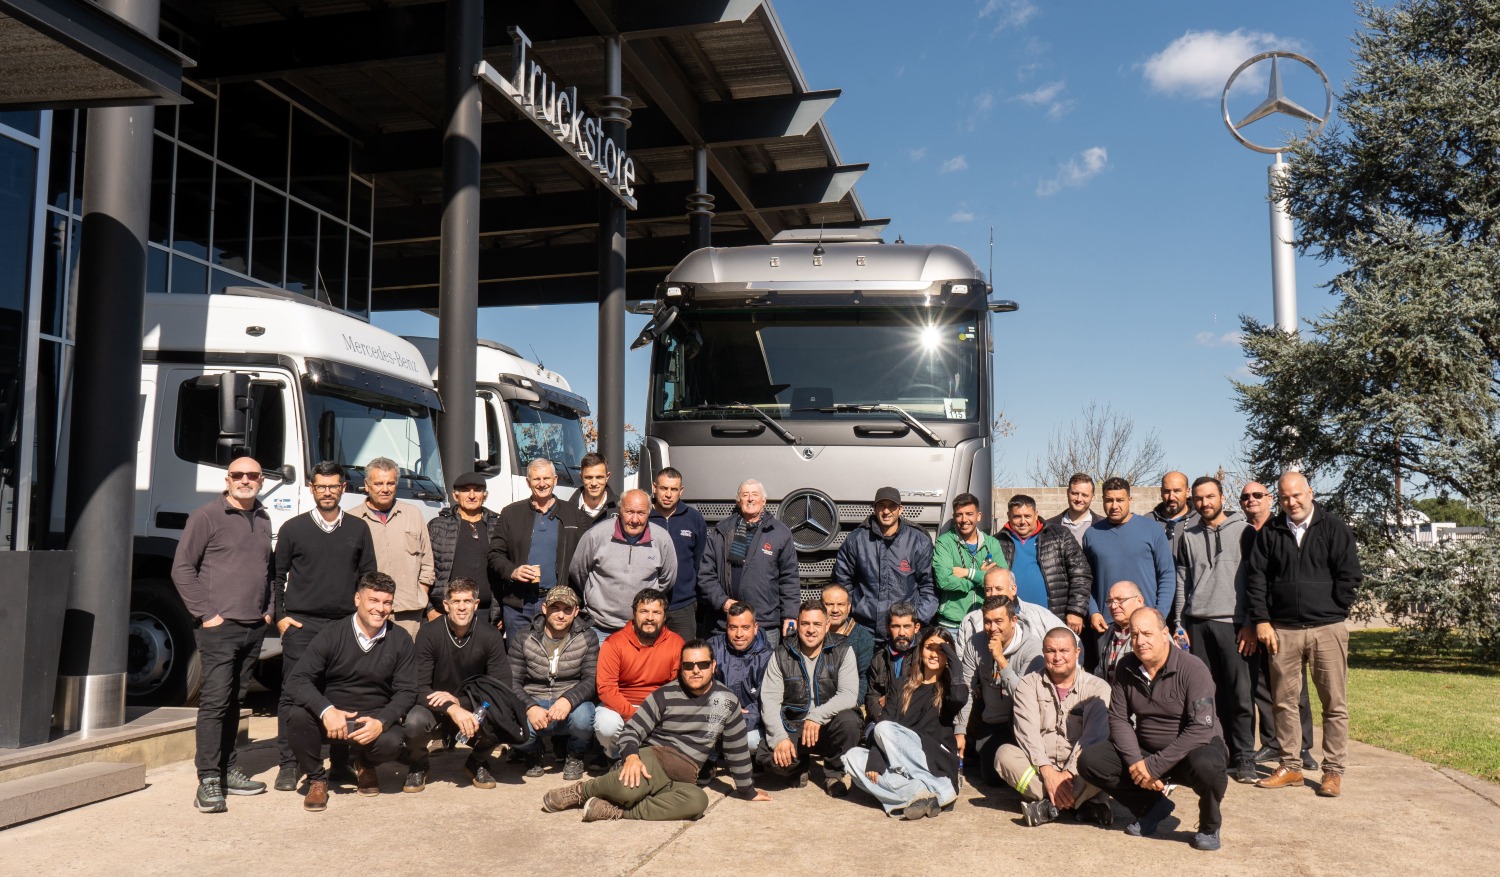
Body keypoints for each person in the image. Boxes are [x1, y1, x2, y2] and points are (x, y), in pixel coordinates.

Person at [541, 640, 770, 821]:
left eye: (702, 665)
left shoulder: (728, 701)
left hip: (684, 776)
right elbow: (632, 729)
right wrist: (631, 756)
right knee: (629, 789)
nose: (695, 670)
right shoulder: (664, 694)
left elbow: (736, 749)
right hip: (655, 758)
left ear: (713, 666)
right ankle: (581, 791)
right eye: (688, 666)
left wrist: (747, 790)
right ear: (681, 668)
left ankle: (616, 811)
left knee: (697, 803)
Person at [1247, 471, 1362, 798]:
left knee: (1334, 704)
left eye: (1296, 495)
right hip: (1282, 631)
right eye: (1284, 497)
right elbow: (1256, 580)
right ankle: (1291, 766)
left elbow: (1350, 574)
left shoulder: (1333, 527)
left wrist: (1334, 609)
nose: (1291, 502)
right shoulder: (1271, 531)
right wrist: (1262, 620)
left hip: (1327, 628)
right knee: (1283, 703)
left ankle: (1333, 772)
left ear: (1310, 493)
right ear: (1278, 499)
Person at [1077, 608, 1228, 852]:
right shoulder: (1126, 667)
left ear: (1164, 633)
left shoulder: (1193, 668)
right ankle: (1152, 807)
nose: (1140, 641)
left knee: (1209, 765)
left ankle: (1209, 825)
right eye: (1134, 635)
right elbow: (1118, 718)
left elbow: (1201, 728)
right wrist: (1137, 761)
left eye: (1147, 633)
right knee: (1091, 761)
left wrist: (1153, 767)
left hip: (1192, 751)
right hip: (1146, 751)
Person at [172, 456, 274, 813]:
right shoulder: (206, 516)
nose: (245, 480)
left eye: (252, 475)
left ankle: (229, 769)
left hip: (253, 627)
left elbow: (268, 571)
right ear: (228, 480)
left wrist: (268, 610)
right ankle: (209, 780)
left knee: (235, 701)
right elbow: (182, 568)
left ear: (261, 480)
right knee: (215, 703)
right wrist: (207, 615)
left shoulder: (263, 517)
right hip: (219, 628)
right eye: (238, 475)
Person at [271, 461, 377, 793]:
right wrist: (280, 616)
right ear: (312, 489)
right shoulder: (292, 528)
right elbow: (276, 577)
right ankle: (289, 764)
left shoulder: (358, 529)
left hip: (345, 625)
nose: (327, 492)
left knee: (342, 691)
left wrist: (363, 621)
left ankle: (341, 762)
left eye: (333, 486)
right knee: (293, 693)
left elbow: (368, 578)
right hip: (302, 625)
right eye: (321, 486)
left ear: (343, 488)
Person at [284, 572, 418, 812]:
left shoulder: (400, 639)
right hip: (333, 717)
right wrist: (326, 710)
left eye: (387, 602)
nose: (380, 609)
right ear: (358, 599)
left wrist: (382, 721)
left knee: (394, 740)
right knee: (297, 717)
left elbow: (407, 690)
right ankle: (316, 778)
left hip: (371, 717)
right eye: (373, 601)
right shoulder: (332, 634)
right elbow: (297, 679)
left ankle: (364, 764)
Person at [1174, 476, 1259, 784]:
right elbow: (1182, 582)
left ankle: (1245, 755)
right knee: (1206, 695)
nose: (1204, 503)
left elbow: (1255, 581)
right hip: (1197, 624)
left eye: (1210, 497)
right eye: (1198, 498)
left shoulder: (1244, 532)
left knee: (1240, 693)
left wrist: (1250, 622)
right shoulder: (1188, 535)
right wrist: (1179, 622)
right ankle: (1216, 752)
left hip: (1234, 624)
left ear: (1222, 497)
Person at [842, 627, 968, 819]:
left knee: (884, 730)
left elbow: (960, 697)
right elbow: (886, 720)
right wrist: (876, 759)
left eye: (941, 649)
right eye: (929, 647)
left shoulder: (949, 689)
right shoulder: (901, 685)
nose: (934, 654)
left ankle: (937, 789)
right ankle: (920, 794)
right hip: (899, 759)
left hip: (934, 761)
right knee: (852, 756)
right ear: (920, 651)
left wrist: (951, 654)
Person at [401, 576, 510, 793]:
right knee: (413, 722)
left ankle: (476, 761)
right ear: (446, 604)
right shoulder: (429, 633)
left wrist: (460, 703)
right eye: (456, 601)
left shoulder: (490, 635)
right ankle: (419, 764)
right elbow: (417, 687)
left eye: (467, 601)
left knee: (507, 716)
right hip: (434, 704)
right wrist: (451, 708)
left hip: (472, 705)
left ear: (476, 605)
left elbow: (502, 685)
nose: (462, 607)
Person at [996, 627, 1113, 828]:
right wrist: (1048, 771)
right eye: (1051, 651)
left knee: (1107, 761)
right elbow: (1027, 733)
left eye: (1064, 651)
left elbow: (1093, 737)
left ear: (1077, 653)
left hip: (1079, 771)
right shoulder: (1028, 684)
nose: (1057, 657)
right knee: (1004, 755)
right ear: (1043, 653)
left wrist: (1068, 774)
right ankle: (1081, 804)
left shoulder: (1098, 688)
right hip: (1040, 770)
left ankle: (1048, 808)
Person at [1242, 480, 1317, 771]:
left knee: (1295, 688)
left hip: (1287, 622)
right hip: (1258, 621)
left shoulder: (1281, 528)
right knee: (1262, 685)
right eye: (1246, 497)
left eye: (1257, 495)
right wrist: (1256, 620)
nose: (1252, 500)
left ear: (1270, 498)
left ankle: (1303, 747)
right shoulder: (1244, 533)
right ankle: (1273, 742)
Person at [757, 601, 863, 796]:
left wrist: (816, 715)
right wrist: (780, 738)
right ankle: (799, 765)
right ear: (797, 624)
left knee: (850, 722)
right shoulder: (781, 653)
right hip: (795, 725)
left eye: (817, 624)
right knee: (771, 759)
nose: (811, 630)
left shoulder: (843, 651)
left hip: (829, 725)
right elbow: (770, 701)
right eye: (806, 624)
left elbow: (849, 695)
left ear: (827, 625)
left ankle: (834, 773)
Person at [488, 458, 587, 641]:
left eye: (546, 478)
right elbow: (495, 553)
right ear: (528, 482)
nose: (542, 484)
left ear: (555, 480)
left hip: (558, 605)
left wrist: (576, 599)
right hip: (519, 604)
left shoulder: (573, 514)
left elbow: (585, 559)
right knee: (518, 662)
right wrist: (513, 571)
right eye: (536, 479)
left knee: (553, 663)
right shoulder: (511, 513)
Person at [510, 585, 600, 782]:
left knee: (584, 717)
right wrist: (530, 706)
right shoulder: (524, 636)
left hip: (569, 700)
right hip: (534, 698)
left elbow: (591, 679)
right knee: (510, 724)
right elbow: (512, 681)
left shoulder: (588, 637)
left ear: (576, 611)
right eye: (555, 608)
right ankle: (533, 752)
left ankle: (575, 755)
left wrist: (568, 700)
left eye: (567, 610)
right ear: (544, 608)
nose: (561, 615)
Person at [698, 478, 799, 647]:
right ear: (739, 501)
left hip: (764, 624)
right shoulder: (722, 531)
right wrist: (723, 601)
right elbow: (705, 574)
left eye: (755, 495)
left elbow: (789, 579)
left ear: (764, 500)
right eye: (745, 495)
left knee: (765, 673)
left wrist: (790, 615)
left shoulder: (780, 533)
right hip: (725, 623)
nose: (750, 499)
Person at [957, 596, 1044, 787]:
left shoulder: (1032, 648)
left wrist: (1001, 660)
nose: (992, 628)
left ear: (1014, 620)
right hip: (992, 720)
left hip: (1022, 721)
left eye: (998, 621)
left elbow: (1024, 698)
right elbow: (966, 689)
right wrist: (960, 730)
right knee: (991, 778)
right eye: (987, 622)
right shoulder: (976, 643)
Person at [833, 486, 937, 641]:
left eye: (892, 506)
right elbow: (842, 581)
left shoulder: (918, 541)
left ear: (900, 509)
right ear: (874, 508)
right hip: (865, 629)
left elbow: (929, 587)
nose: (886, 511)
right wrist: (856, 608)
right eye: (881, 505)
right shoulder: (857, 539)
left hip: (903, 632)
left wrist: (916, 619)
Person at [570, 489, 677, 640]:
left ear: (649, 513)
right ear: (620, 510)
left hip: (641, 629)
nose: (634, 519)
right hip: (599, 627)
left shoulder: (662, 539)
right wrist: (593, 592)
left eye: (641, 513)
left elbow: (667, 580)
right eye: (629, 512)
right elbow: (578, 571)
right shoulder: (596, 535)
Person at [594, 588, 685, 760]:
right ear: (634, 613)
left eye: (656, 612)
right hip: (621, 706)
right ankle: (616, 758)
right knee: (607, 726)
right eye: (644, 611)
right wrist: (633, 715)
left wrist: (654, 714)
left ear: (664, 617)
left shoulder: (676, 643)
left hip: (658, 707)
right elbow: (606, 688)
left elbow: (676, 687)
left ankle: (653, 759)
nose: (650, 618)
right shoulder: (614, 642)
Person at [351, 456, 435, 638]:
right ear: (367, 485)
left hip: (408, 611)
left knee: (406, 663)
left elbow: (427, 562)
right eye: (378, 483)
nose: (385, 489)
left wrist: (420, 591)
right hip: (370, 611)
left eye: (390, 483)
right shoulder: (353, 519)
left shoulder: (413, 514)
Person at [1082, 477, 1175, 632]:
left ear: (1130, 499)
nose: (1114, 506)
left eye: (1120, 500)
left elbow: (1167, 574)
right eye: (1109, 500)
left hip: (1146, 622)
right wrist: (1093, 612)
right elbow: (1085, 580)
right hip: (1106, 624)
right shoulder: (1092, 534)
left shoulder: (1152, 529)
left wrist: (1160, 614)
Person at [999, 494, 1092, 635]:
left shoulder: (1059, 535)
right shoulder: (997, 542)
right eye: (1017, 516)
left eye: (1027, 516)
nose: (1022, 521)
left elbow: (1081, 573)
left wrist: (1076, 610)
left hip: (1054, 619)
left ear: (1036, 515)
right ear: (1008, 515)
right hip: (1014, 623)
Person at [955, 568, 1067, 680]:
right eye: (988, 589)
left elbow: (1073, 644)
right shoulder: (970, 621)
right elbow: (961, 664)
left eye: (999, 588)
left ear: (1013, 589)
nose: (993, 594)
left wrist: (1064, 681)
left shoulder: (1039, 615)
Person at [429, 471, 502, 625]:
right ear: (455, 496)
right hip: (447, 613)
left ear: (485, 495)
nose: (471, 495)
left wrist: (502, 611)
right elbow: (424, 569)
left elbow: (506, 569)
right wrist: (429, 609)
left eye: (477, 490)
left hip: (488, 614)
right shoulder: (438, 526)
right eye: (465, 490)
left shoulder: (499, 526)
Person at [649, 467, 708, 642]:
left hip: (683, 605)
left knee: (685, 659)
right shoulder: (644, 517)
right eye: (663, 488)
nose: (668, 494)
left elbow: (700, 562)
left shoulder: (694, 519)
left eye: (673, 489)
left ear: (681, 491)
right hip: (649, 604)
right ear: (654, 487)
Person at [931, 492, 1006, 629]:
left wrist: (968, 573)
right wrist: (981, 578)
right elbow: (944, 581)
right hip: (952, 625)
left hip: (986, 623)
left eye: (969, 514)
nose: (964, 519)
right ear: (954, 517)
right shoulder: (944, 543)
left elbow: (1002, 581)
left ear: (978, 516)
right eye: (959, 514)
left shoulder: (992, 543)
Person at [707, 602, 772, 752]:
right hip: (715, 716)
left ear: (755, 628)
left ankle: (753, 761)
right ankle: (710, 760)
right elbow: (697, 687)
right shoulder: (711, 648)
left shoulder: (768, 657)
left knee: (750, 740)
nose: (739, 634)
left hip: (749, 723)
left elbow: (766, 702)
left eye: (745, 627)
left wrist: (736, 718)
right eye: (733, 627)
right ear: (726, 627)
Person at [864, 602, 920, 721]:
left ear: (916, 628)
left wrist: (892, 698)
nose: (901, 633)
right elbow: (873, 695)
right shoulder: (880, 658)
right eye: (896, 626)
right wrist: (880, 716)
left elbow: (930, 690)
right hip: (884, 717)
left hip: (916, 718)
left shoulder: (925, 653)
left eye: (907, 626)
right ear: (888, 628)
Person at [822, 584, 875, 705]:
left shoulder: (862, 638)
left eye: (840, 604)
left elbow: (865, 678)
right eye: (829, 604)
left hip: (847, 705)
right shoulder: (812, 634)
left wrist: (854, 703)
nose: (835, 610)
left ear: (849, 607)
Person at [1145, 471, 1201, 571]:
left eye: (1177, 491)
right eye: (1167, 491)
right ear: (1161, 492)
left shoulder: (1200, 521)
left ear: (1188, 492)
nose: (1171, 497)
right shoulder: (1146, 521)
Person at [1094, 580, 1145, 683]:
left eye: (1120, 600)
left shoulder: (1153, 630)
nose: (1113, 606)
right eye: (1110, 601)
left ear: (1139, 601)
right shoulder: (1109, 633)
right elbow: (1100, 675)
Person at [1047, 472, 1102, 547]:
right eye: (1075, 494)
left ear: (1093, 497)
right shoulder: (1049, 526)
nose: (1079, 499)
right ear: (1067, 493)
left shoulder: (1104, 527)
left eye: (1084, 495)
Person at [570, 451, 619, 523]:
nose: (594, 483)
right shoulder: (567, 510)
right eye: (589, 477)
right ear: (581, 477)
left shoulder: (620, 508)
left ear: (607, 477)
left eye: (599, 477)